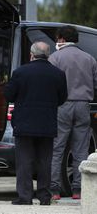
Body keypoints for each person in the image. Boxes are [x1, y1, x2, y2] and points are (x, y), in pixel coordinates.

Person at [4, 42, 67, 205]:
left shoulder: (20, 72)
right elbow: (62, 98)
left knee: (25, 161)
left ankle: (25, 197)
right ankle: (45, 196)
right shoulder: (58, 74)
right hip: (47, 123)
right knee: (45, 161)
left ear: (31, 55)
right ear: (48, 55)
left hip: (24, 123)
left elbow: (9, 95)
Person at [49, 26, 97, 200]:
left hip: (62, 105)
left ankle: (54, 190)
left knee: (57, 148)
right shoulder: (89, 58)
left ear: (61, 39)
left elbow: (50, 84)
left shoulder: (55, 58)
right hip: (84, 105)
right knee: (81, 149)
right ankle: (78, 189)